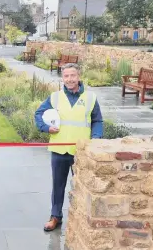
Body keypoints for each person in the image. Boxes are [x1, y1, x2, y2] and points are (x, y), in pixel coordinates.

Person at [34, 63, 103, 232]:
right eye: (66, 76)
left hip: (81, 152)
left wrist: (95, 139)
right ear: (62, 78)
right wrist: (45, 128)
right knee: (58, 185)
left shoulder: (90, 98)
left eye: (72, 75)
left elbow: (97, 121)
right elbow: (38, 114)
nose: (69, 79)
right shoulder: (55, 97)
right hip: (59, 149)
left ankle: (81, 217)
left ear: (78, 76)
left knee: (81, 186)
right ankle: (55, 216)